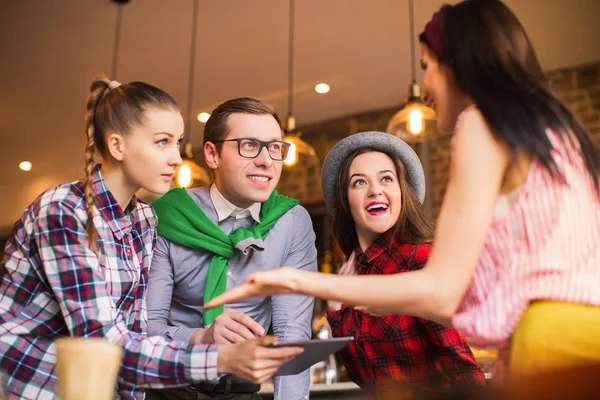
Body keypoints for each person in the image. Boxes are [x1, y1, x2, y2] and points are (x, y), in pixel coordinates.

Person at [205, 0, 600, 385]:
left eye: (426, 67)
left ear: (457, 64)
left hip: (553, 340)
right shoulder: (554, 133)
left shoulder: (481, 123)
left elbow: (442, 292)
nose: (423, 86)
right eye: (358, 182)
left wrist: (297, 281)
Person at [0, 77, 302, 399]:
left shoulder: (144, 219)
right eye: (162, 142)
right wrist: (220, 357)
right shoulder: (63, 211)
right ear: (117, 146)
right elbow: (102, 342)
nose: (176, 158)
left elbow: (139, 331)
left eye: (178, 142)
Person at [145, 97, 317, 400]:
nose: (267, 161)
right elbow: (145, 326)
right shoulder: (167, 216)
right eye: (249, 145)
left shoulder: (291, 222)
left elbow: (293, 333)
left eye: (275, 147)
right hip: (169, 388)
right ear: (212, 154)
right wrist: (201, 338)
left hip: (241, 392)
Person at [322, 132, 485, 398]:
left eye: (386, 178)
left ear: (401, 191)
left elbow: (463, 368)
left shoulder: (420, 259)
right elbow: (362, 377)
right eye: (359, 182)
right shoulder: (353, 274)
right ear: (345, 200)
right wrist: (336, 311)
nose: (375, 190)